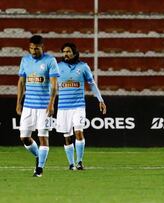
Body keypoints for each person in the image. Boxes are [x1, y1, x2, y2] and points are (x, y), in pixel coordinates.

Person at [56, 43, 106, 170]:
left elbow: (92, 84)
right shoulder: (58, 67)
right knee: (66, 135)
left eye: (68, 51)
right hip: (63, 107)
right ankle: (71, 163)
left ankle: (79, 162)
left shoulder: (83, 67)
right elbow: (51, 85)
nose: (65, 54)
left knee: (78, 132)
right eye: (64, 52)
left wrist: (100, 99)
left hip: (78, 106)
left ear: (74, 53)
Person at [16, 35, 59, 177]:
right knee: (24, 138)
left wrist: (51, 103)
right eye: (31, 48)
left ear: (42, 47)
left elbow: (54, 85)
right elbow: (21, 83)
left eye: (36, 48)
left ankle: (39, 169)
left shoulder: (50, 61)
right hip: (28, 106)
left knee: (43, 137)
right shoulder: (25, 60)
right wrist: (18, 103)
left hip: (44, 107)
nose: (33, 51)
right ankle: (38, 156)